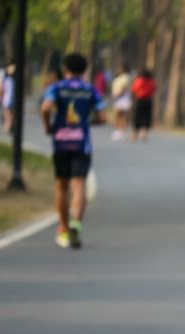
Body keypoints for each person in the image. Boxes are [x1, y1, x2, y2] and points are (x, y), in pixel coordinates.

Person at [40, 53, 104, 250]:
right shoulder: (90, 89)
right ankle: (76, 221)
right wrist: (90, 121)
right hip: (81, 143)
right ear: (84, 70)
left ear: (65, 68)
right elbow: (102, 116)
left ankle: (64, 228)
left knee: (61, 186)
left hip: (60, 143)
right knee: (79, 184)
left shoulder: (56, 88)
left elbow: (45, 108)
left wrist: (48, 126)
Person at [131, 69, 156, 142]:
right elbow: (154, 89)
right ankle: (144, 133)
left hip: (140, 100)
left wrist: (138, 94)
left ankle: (135, 134)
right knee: (146, 117)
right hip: (148, 100)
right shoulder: (151, 81)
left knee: (138, 116)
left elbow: (135, 88)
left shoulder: (140, 80)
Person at [111, 66, 132, 140]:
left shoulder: (125, 77)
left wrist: (119, 95)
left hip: (122, 98)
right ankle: (119, 130)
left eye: (120, 68)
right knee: (118, 114)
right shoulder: (118, 77)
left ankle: (122, 130)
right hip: (117, 97)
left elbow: (124, 87)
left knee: (121, 114)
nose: (118, 69)